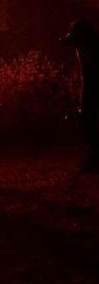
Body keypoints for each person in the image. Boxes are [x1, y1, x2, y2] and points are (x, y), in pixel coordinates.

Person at [62, 19, 99, 173]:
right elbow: (65, 41)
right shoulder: (87, 42)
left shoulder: (91, 45)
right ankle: (94, 156)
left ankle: (96, 157)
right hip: (90, 82)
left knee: (89, 119)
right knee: (88, 119)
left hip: (94, 83)